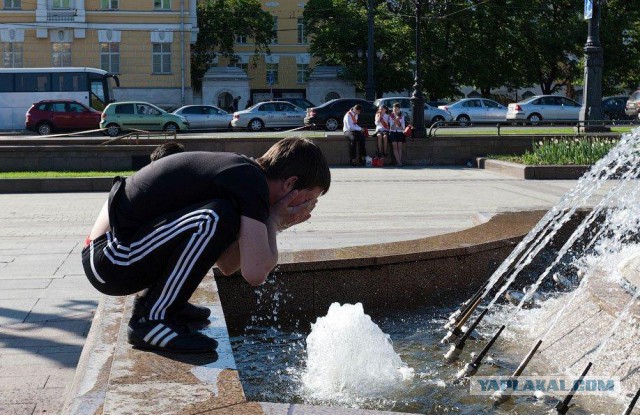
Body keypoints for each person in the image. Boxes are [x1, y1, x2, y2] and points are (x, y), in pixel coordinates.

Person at [81, 137, 330, 353]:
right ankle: (151, 320)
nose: (307, 209)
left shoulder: (242, 177)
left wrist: (272, 223)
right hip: (111, 259)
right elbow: (255, 274)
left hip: (118, 254)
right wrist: (274, 220)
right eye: (309, 199)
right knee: (215, 216)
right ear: (290, 185)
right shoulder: (250, 180)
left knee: (220, 217)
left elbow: (228, 264)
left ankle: (166, 304)